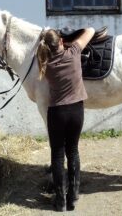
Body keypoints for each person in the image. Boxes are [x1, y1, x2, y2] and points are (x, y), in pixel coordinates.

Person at [37, 27, 95, 211]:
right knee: (73, 151)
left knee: (57, 155)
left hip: (57, 113)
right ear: (61, 42)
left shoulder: (44, 63)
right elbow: (91, 31)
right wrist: (72, 34)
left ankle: (60, 201)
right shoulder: (74, 52)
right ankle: (73, 197)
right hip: (77, 111)